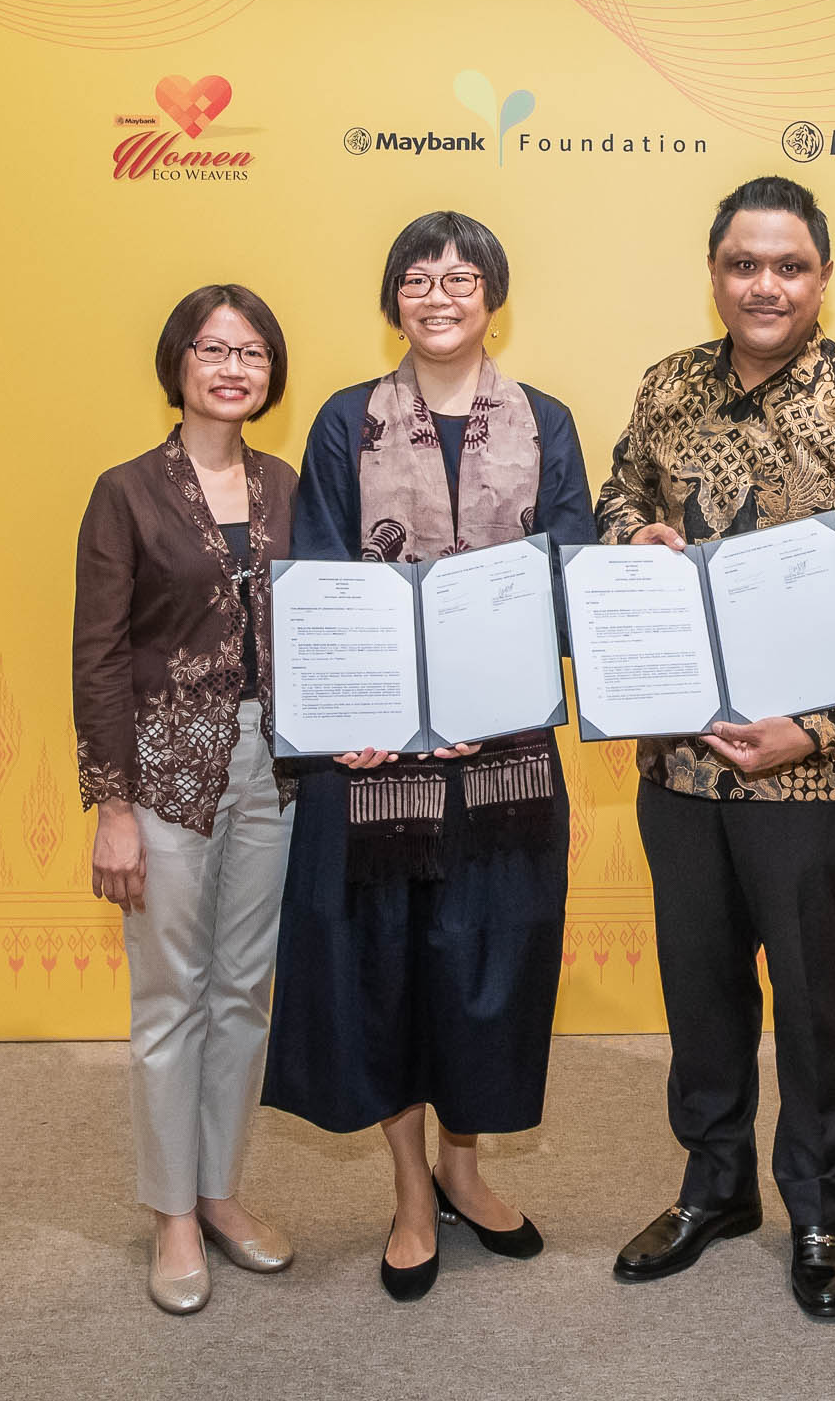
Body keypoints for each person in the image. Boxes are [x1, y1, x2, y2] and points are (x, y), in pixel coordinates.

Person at [595, 175, 835, 1319]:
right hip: (682, 759)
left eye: (789, 265)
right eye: (745, 263)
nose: (765, 284)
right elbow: (610, 506)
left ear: (823, 277)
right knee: (699, 988)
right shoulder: (665, 386)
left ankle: (820, 1208)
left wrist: (815, 726)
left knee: (812, 995)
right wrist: (631, 538)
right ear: (716, 271)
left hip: (813, 767)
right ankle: (715, 1184)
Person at [264, 211, 595, 1303]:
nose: (440, 293)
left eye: (461, 276)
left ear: (494, 295)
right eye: (418, 276)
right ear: (393, 298)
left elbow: (566, 573)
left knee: (486, 972)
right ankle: (410, 1189)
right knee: (386, 971)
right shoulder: (344, 421)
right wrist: (355, 710)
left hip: (501, 753)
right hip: (373, 758)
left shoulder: (545, 422)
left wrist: (494, 682)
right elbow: (318, 577)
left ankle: (465, 1162)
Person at [74, 284, 300, 1316]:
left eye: (250, 350)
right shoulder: (125, 491)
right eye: (213, 347)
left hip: (277, 767)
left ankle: (219, 1190)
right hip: (164, 768)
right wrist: (111, 804)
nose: (231, 365)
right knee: (169, 994)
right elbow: (99, 656)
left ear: (270, 370)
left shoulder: (289, 483)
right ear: (178, 362)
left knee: (244, 990)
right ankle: (170, 1213)